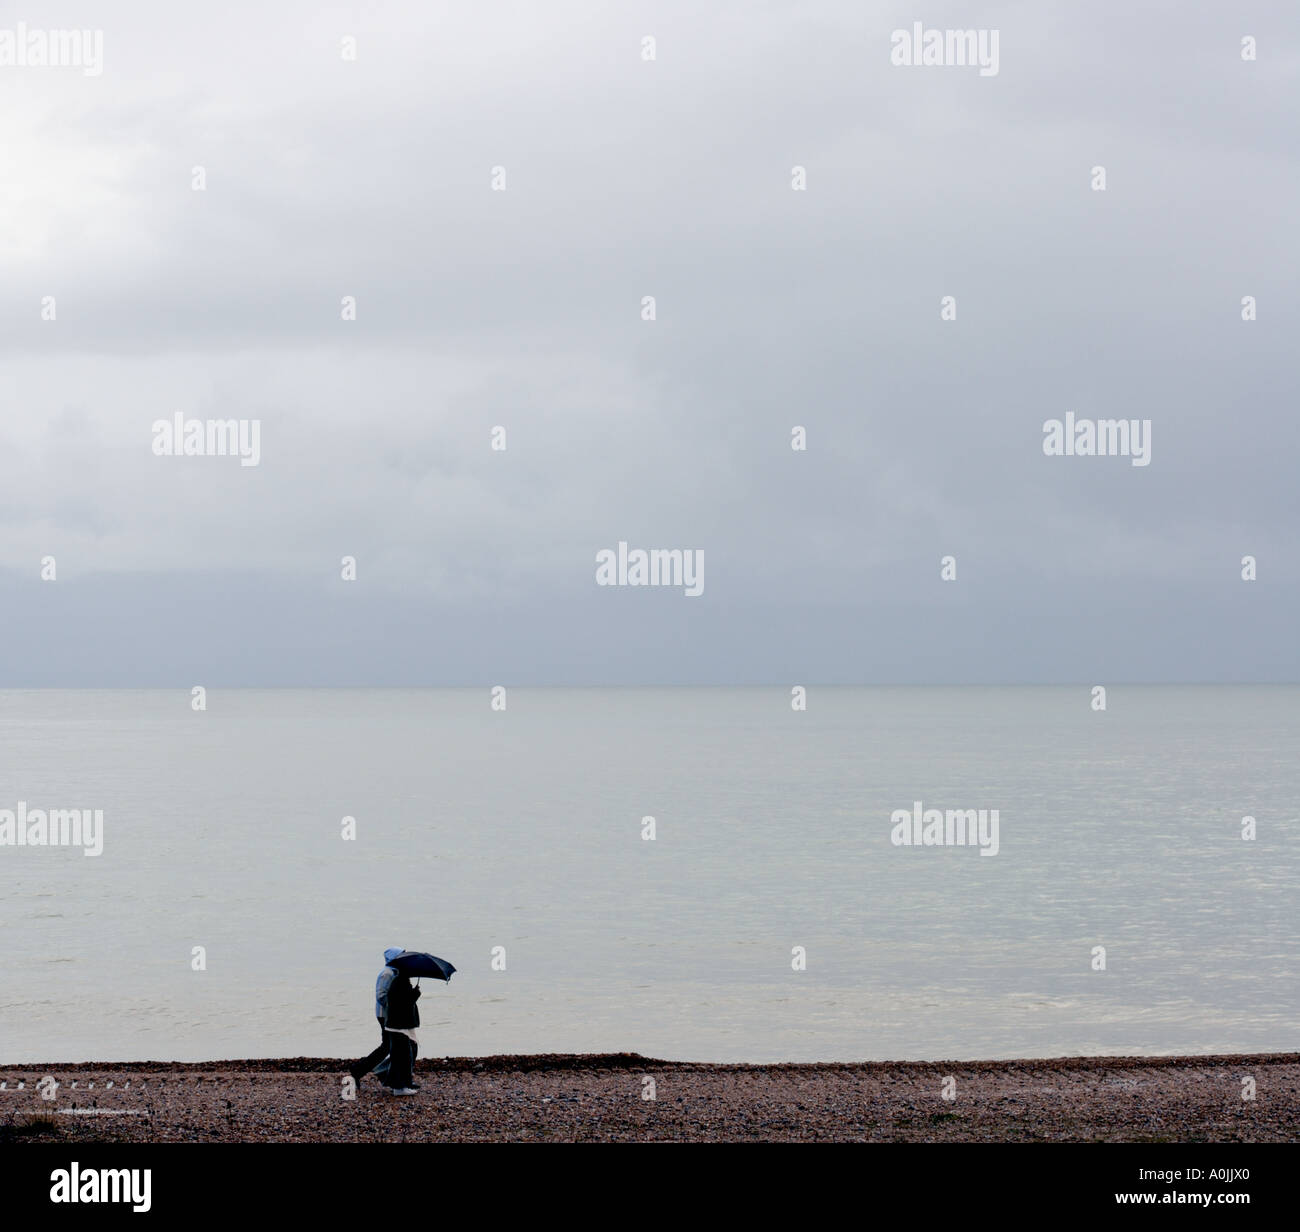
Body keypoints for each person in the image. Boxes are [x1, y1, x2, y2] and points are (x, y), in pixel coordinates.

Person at [349, 948, 404, 1088]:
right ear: (394, 958)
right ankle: (361, 1070)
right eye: (401, 955)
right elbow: (380, 995)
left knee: (388, 1046)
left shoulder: (394, 972)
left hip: (389, 1014)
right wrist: (395, 1005)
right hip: (385, 1014)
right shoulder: (387, 973)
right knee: (388, 1046)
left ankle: (361, 1070)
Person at [383, 971, 421, 1096]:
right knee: (402, 1056)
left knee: (400, 1055)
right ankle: (399, 1087)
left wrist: (413, 993)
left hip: (395, 1025)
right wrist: (415, 994)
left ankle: (402, 1084)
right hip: (399, 1026)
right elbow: (403, 1003)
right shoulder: (401, 983)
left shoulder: (397, 982)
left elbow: (400, 1001)